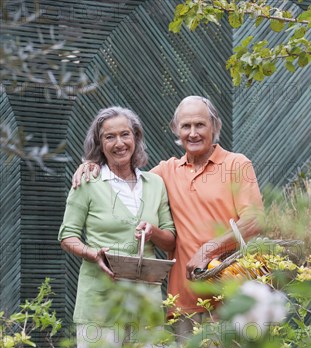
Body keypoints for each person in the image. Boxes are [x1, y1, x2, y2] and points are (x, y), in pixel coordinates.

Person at [72, 96, 263, 335]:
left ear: (215, 126)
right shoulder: (165, 173)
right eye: (186, 126)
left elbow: (255, 220)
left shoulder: (237, 164)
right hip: (183, 304)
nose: (193, 133)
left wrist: (207, 250)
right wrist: (92, 165)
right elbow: (123, 181)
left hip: (233, 297)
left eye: (200, 125)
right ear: (176, 130)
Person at [59, 106, 176, 348]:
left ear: (136, 138)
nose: (118, 142)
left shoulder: (154, 184)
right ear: (99, 143)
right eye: (109, 136)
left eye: (125, 134)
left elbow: (170, 238)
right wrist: (91, 252)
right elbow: (67, 235)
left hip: (145, 300)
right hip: (99, 299)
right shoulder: (88, 180)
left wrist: (152, 231)